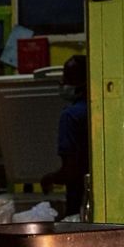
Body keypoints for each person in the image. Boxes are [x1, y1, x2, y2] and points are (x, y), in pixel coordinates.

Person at [41, 54, 89, 217]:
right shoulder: (101, 111)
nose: (62, 82)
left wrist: (50, 178)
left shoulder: (71, 116)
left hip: (80, 198)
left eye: (66, 77)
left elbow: (71, 169)